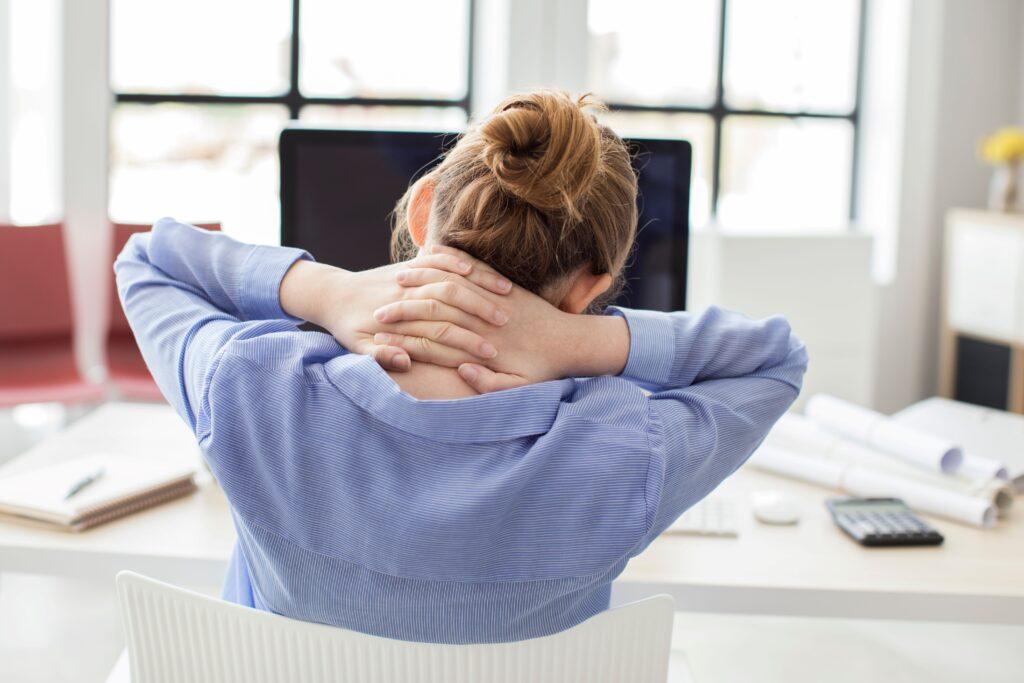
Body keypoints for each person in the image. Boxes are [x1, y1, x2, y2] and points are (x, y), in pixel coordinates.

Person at [115, 90, 807, 644]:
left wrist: (327, 290)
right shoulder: (628, 451)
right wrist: (577, 340)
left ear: (421, 213)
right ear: (591, 285)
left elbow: (149, 261)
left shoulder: (251, 384)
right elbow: (775, 359)